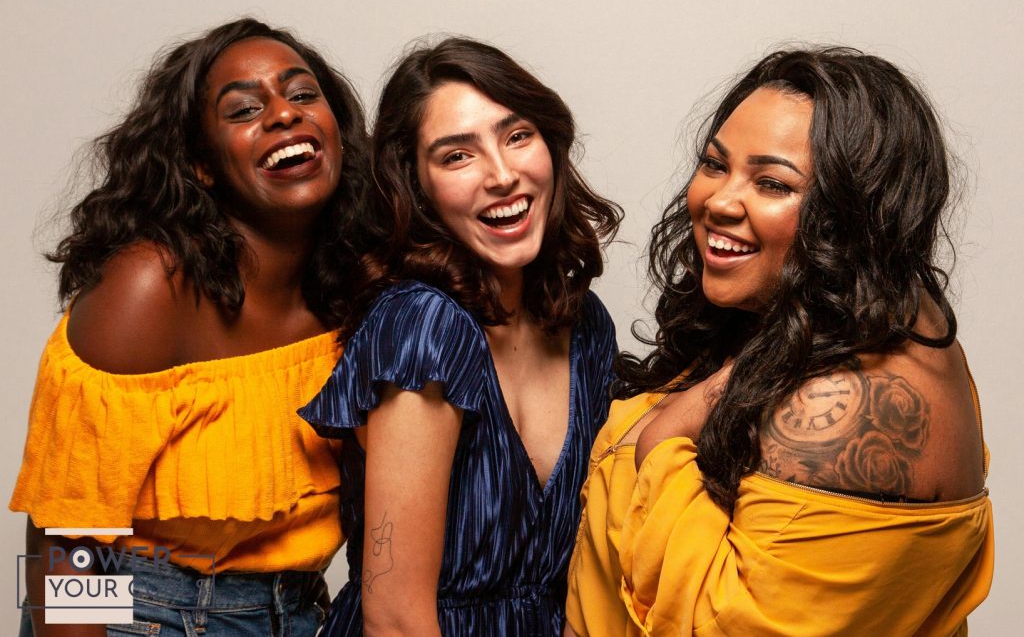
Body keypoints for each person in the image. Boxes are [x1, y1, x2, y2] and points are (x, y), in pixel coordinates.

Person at [566, 48, 993, 635]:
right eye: (715, 165)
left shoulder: (852, 407)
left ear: (851, 213)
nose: (718, 200)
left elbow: (714, 626)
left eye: (772, 183)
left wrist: (666, 432)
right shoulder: (806, 316)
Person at [10, 18, 374, 636]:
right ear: (203, 166)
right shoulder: (150, 288)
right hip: (142, 618)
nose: (285, 115)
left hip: (300, 614)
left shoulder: (358, 284)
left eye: (303, 94)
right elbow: (65, 535)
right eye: (244, 110)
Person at [299, 37, 621, 635]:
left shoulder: (584, 324)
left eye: (517, 135)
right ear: (415, 186)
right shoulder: (423, 325)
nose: (502, 175)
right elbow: (395, 618)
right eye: (457, 156)